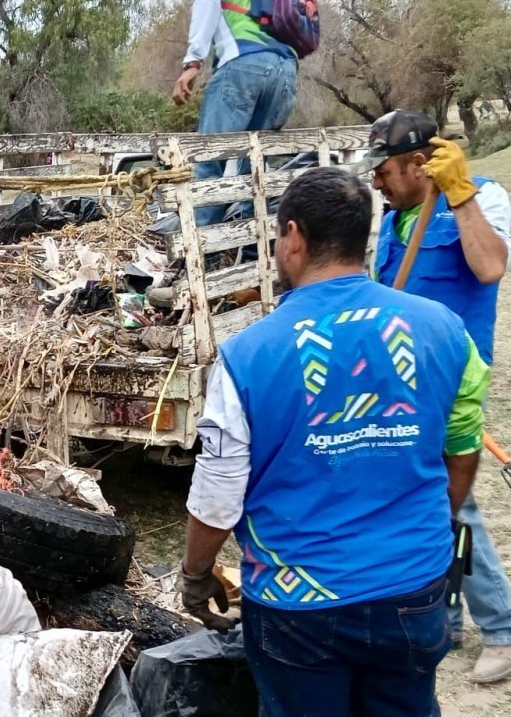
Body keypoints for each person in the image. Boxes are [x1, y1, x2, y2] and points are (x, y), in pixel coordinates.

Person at [182, 167, 489, 715]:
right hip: (414, 587)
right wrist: (426, 531)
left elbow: (217, 496)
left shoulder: (247, 355)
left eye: (280, 236)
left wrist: (196, 575)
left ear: (294, 236)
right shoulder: (444, 329)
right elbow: (462, 448)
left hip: (299, 606)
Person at [367, 109, 511, 684]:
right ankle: (445, 618)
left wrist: (460, 195)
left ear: (418, 164)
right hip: (403, 380)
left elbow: (490, 265)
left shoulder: (483, 198)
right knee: (427, 505)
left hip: (454, 379)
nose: (375, 182)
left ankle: (502, 629)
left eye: (383, 171)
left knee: (457, 505)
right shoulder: (397, 218)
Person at [171, 0, 298, 218]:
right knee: (253, 162)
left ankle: (205, 252)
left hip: (244, 67)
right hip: (285, 71)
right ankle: (255, 248)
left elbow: (207, 2)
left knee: (207, 157)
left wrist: (192, 64)